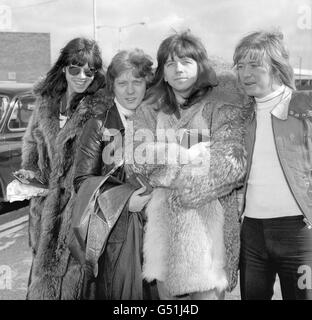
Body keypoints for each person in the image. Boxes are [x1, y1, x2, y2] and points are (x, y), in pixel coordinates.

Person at [127, 31, 251, 300]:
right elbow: (137, 159)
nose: (178, 69)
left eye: (185, 61)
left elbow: (230, 162)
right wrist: (185, 154)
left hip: (209, 242)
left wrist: (174, 178)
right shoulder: (151, 108)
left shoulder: (222, 104)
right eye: (170, 64)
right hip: (163, 242)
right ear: (163, 71)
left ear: (200, 66)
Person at [20, 37, 106, 299]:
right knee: (41, 281)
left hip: (78, 215)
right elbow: (31, 147)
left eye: (89, 71)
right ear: (63, 68)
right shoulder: (45, 103)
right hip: (44, 211)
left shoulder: (99, 108)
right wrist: (29, 176)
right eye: (75, 69)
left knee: (75, 286)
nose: (82, 76)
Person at [233, 30, 312, 300]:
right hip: (252, 233)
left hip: (299, 233)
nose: (245, 73)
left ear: (276, 67)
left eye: (255, 65)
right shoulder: (241, 115)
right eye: (241, 66)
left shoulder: (304, 106)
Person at [73, 48, 157, 299]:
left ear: (147, 84)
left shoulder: (161, 121)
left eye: (137, 82)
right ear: (112, 87)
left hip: (156, 233)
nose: (130, 90)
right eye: (122, 83)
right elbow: (83, 180)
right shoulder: (98, 124)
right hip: (115, 237)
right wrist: (124, 201)